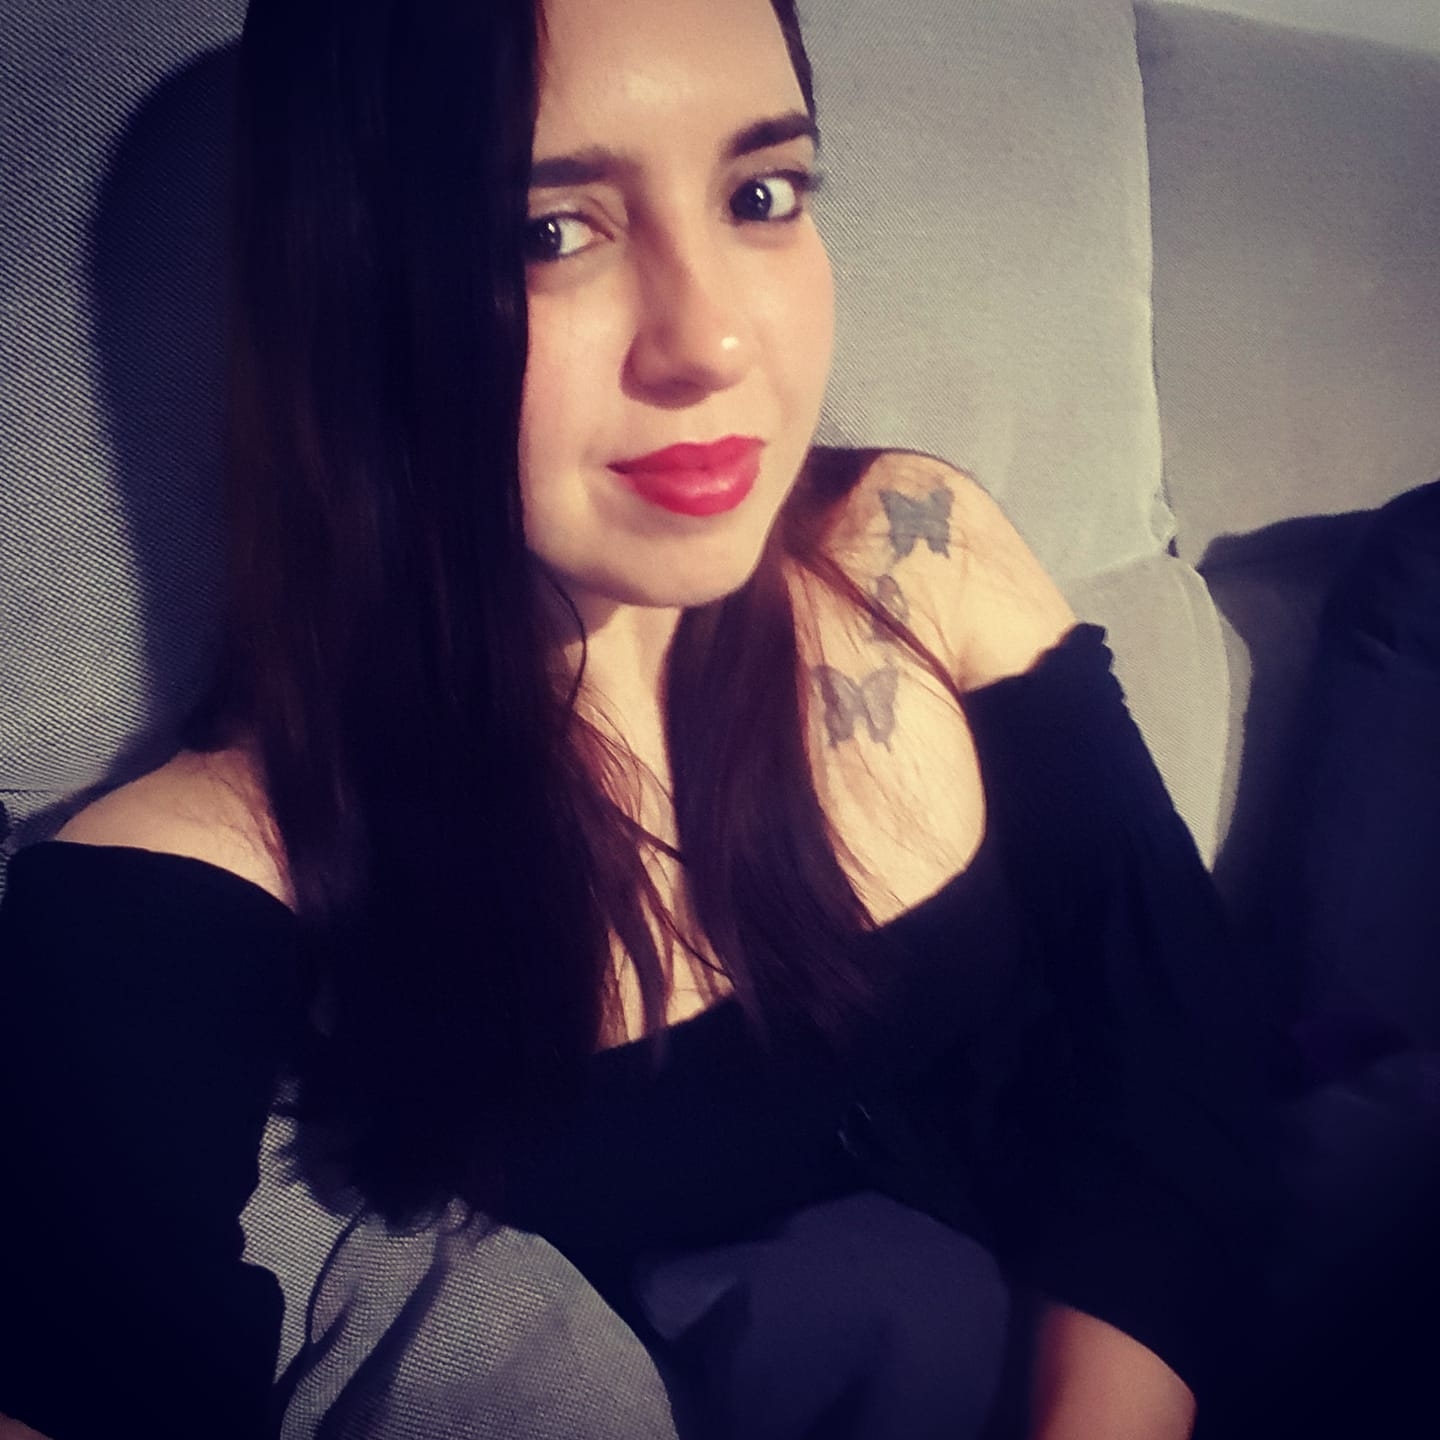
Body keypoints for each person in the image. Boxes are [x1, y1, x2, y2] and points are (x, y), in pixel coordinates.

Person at [0, 0, 1277, 1436]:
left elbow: (1174, 1034)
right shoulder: (191, 875)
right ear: (354, 293)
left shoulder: (916, 545)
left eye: (761, 195)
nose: (713, 339)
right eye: (550, 232)